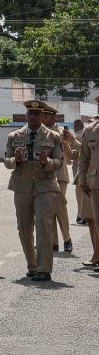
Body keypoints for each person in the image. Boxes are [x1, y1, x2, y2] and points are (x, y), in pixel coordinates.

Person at [5, 100, 63, 282]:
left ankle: (44, 268)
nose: (34, 117)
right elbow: (7, 161)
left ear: (43, 116)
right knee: (23, 228)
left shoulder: (53, 136)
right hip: (22, 185)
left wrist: (47, 162)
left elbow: (59, 162)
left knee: (44, 225)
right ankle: (32, 265)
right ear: (26, 115)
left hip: (45, 186)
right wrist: (16, 159)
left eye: (37, 114)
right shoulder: (14, 136)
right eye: (31, 113)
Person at [41, 105, 73, 253]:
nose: (42, 118)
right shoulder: (40, 131)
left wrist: (66, 142)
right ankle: (53, 242)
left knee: (60, 208)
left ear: (53, 117)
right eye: (42, 116)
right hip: (44, 175)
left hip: (59, 175)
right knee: (47, 209)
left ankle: (67, 239)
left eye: (45, 116)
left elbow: (68, 156)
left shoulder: (61, 132)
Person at [76, 103, 99, 273]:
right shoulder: (90, 130)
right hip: (95, 182)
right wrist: (82, 180)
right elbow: (83, 157)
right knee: (97, 221)